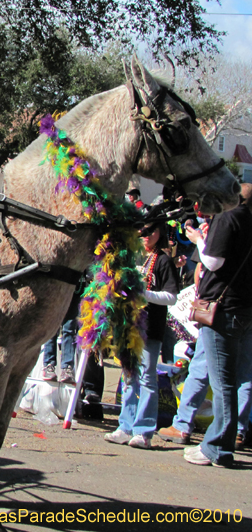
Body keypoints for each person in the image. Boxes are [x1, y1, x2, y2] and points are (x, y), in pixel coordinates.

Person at [176, 184, 252, 466]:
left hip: (223, 309)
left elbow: (212, 261)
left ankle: (217, 447)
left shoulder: (228, 217)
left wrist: (198, 239)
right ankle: (226, 440)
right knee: (239, 379)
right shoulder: (247, 218)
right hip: (244, 308)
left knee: (223, 383)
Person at [104, 221, 178, 449]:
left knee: (146, 377)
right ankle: (125, 427)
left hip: (150, 327)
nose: (146, 235)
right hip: (128, 324)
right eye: (143, 230)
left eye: (152, 231)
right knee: (128, 376)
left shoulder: (163, 260)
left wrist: (145, 294)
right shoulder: (131, 256)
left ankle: (144, 431)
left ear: (160, 233)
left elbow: (172, 297)